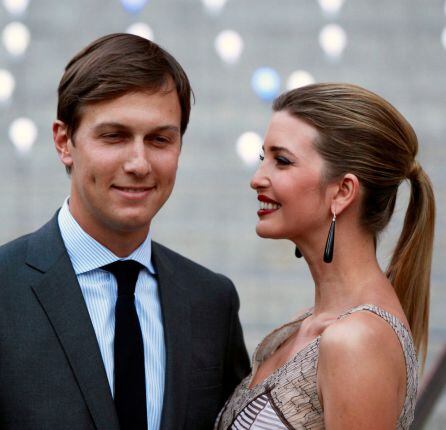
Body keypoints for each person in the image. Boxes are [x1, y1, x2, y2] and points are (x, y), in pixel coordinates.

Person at [0, 33, 250, 430]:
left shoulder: (211, 302)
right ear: (64, 142)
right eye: (114, 136)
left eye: (159, 139)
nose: (139, 163)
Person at [215, 83, 435, 429]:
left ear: (343, 191)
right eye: (263, 159)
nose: (257, 179)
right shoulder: (294, 330)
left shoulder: (356, 341)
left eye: (282, 161)